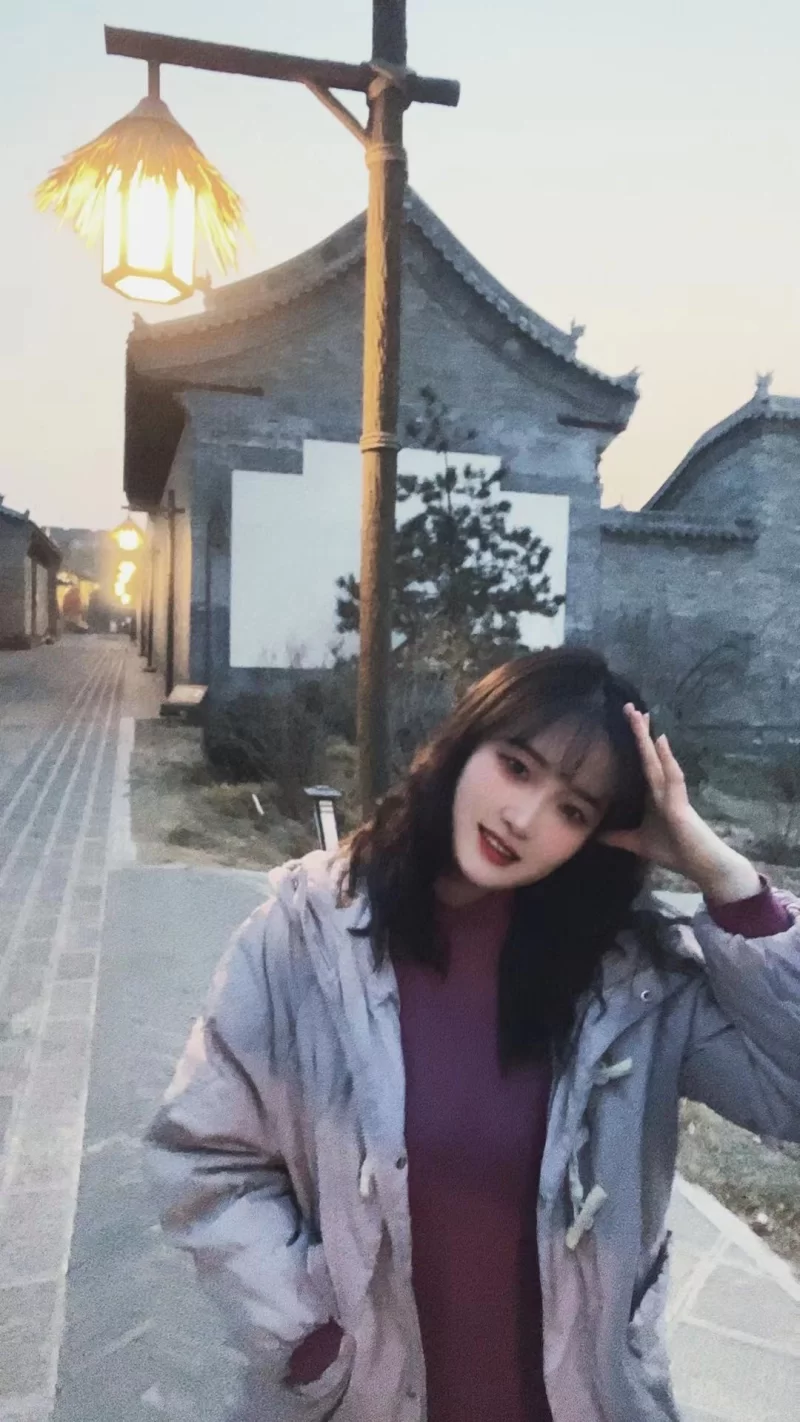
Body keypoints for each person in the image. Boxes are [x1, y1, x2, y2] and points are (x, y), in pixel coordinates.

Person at [144, 647, 800, 1422]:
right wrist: (304, 1336)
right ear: (465, 743)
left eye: (573, 811)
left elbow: (786, 1092)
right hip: (363, 1401)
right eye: (516, 767)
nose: (524, 819)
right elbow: (205, 1154)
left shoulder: (632, 984)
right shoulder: (302, 941)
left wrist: (721, 873)